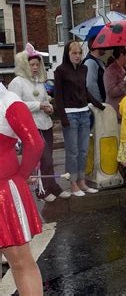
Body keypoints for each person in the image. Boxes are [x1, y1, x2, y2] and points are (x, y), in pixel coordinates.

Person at [8, 43, 68, 202]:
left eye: (37, 64)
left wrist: (48, 106)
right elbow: (14, 105)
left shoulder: (39, 81)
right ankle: (41, 190)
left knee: (49, 158)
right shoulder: (17, 82)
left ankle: (52, 186)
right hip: (30, 126)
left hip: (45, 123)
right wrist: (38, 105)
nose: (35, 67)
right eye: (31, 64)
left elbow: (44, 99)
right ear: (24, 64)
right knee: (44, 158)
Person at [0, 85, 44, 295]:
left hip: (3, 193)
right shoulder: (8, 101)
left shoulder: (9, 101)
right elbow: (34, 143)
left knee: (20, 261)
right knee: (21, 263)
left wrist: (20, 177)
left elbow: (35, 143)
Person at [54, 40, 104, 197]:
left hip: (84, 113)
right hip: (70, 114)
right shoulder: (60, 71)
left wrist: (99, 104)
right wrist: (63, 117)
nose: (77, 56)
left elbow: (85, 91)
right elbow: (58, 96)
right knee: (72, 151)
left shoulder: (84, 69)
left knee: (83, 150)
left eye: (79, 53)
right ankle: (73, 183)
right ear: (67, 54)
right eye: (74, 53)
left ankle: (82, 181)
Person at [104, 46, 126, 121]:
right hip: (116, 112)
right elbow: (111, 91)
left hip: (125, 111)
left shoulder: (124, 68)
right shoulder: (110, 71)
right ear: (122, 55)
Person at [83, 37, 106, 102]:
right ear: (96, 46)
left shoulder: (99, 61)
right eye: (103, 44)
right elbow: (90, 85)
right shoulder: (90, 62)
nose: (105, 46)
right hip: (97, 104)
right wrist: (99, 102)